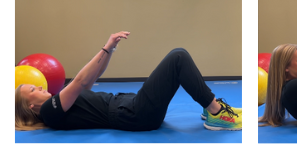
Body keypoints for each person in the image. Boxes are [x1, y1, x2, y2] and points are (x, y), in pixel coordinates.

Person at [15, 31, 242, 132]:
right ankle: (215, 113)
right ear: (31, 107)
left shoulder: (60, 104)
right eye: (33, 89)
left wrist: (110, 50)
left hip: (132, 107)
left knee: (178, 57)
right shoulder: (49, 112)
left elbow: (93, 77)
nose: (41, 86)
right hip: (134, 114)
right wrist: (105, 45)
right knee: (178, 57)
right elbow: (81, 82)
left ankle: (209, 106)